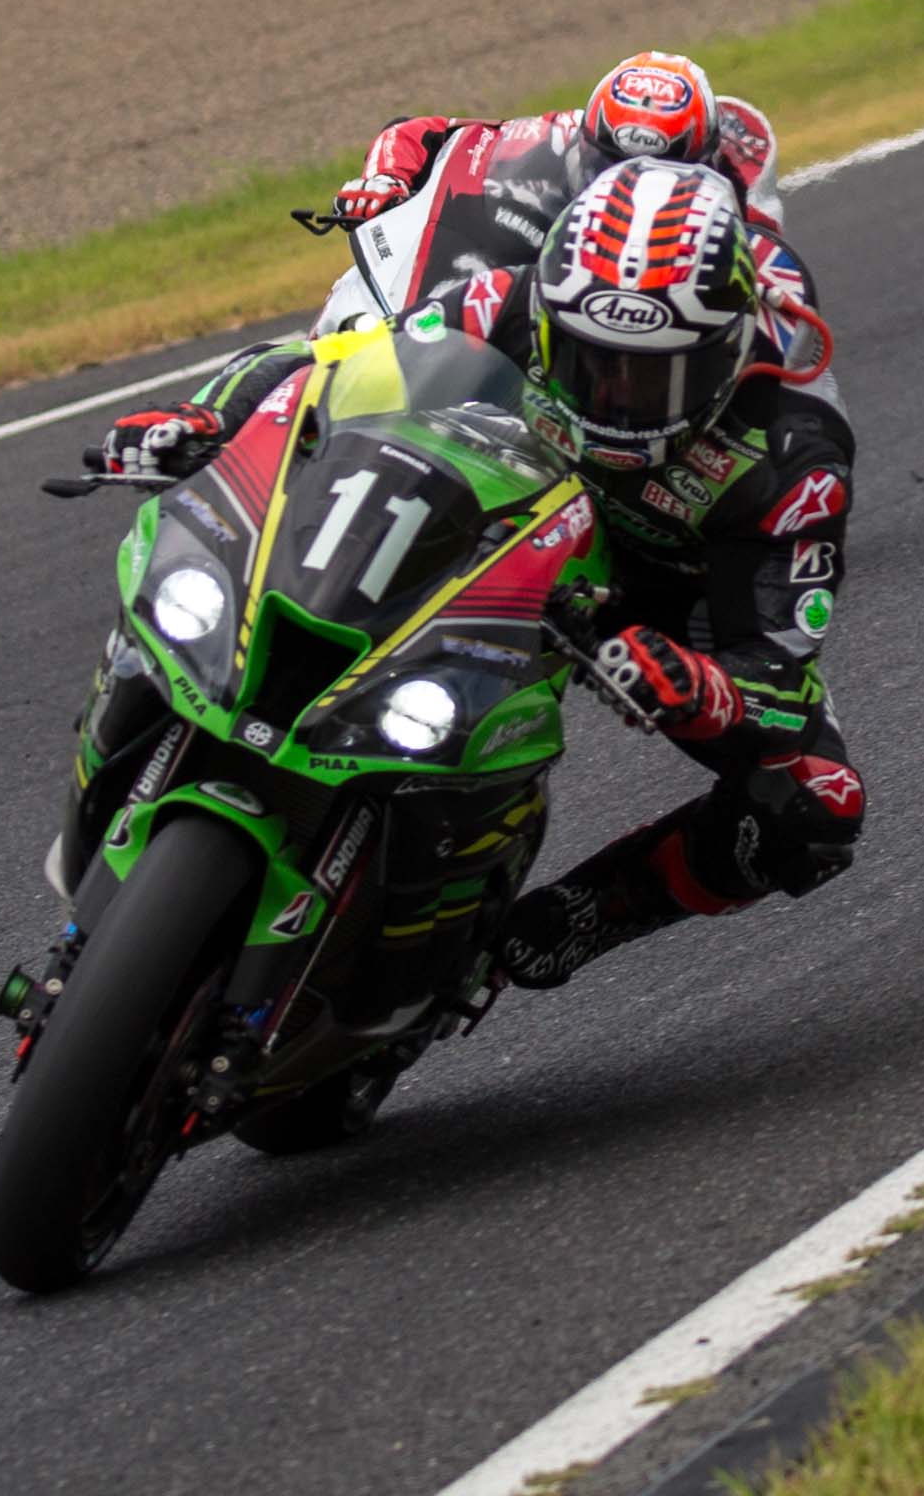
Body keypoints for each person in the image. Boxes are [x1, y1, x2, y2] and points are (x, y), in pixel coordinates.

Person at [97, 158, 862, 989]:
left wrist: (701, 686)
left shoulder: (795, 457)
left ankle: (596, 908)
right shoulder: (511, 299)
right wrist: (207, 417)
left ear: (726, 352)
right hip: (497, 515)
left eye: (652, 375)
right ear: (551, 316)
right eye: (587, 359)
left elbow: (782, 678)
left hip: (654, 598)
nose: (612, 395)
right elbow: (328, 362)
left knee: (819, 803)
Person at [312, 50, 795, 337]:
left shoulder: (728, 197)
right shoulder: (550, 137)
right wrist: (386, 182)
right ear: (589, 140)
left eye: (657, 170)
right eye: (611, 163)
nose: (627, 182)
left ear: (701, 161)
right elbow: (422, 131)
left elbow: (772, 283)